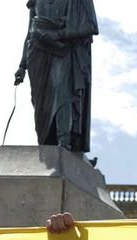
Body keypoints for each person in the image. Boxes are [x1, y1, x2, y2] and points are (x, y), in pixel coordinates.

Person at [14, 0, 98, 152]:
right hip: (37, 50)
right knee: (40, 104)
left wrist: (58, 34)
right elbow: (29, 32)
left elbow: (89, 26)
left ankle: (64, 141)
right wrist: (22, 66)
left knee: (62, 91)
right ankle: (45, 145)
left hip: (63, 48)